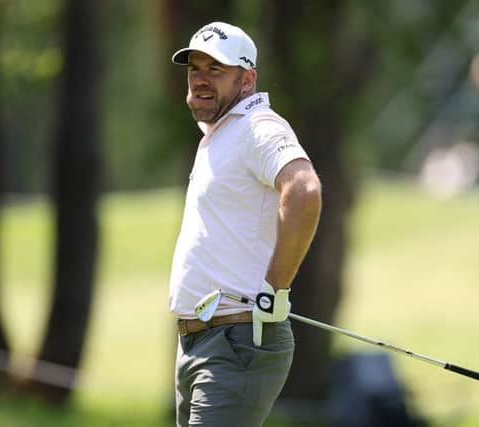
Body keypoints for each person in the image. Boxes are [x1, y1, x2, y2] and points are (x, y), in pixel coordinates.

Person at [167, 21, 322, 427]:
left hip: (239, 339)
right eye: (194, 68)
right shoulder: (220, 135)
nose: (200, 80)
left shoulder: (258, 127)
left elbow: (303, 190)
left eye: (214, 70)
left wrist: (277, 288)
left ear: (247, 79)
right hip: (199, 340)